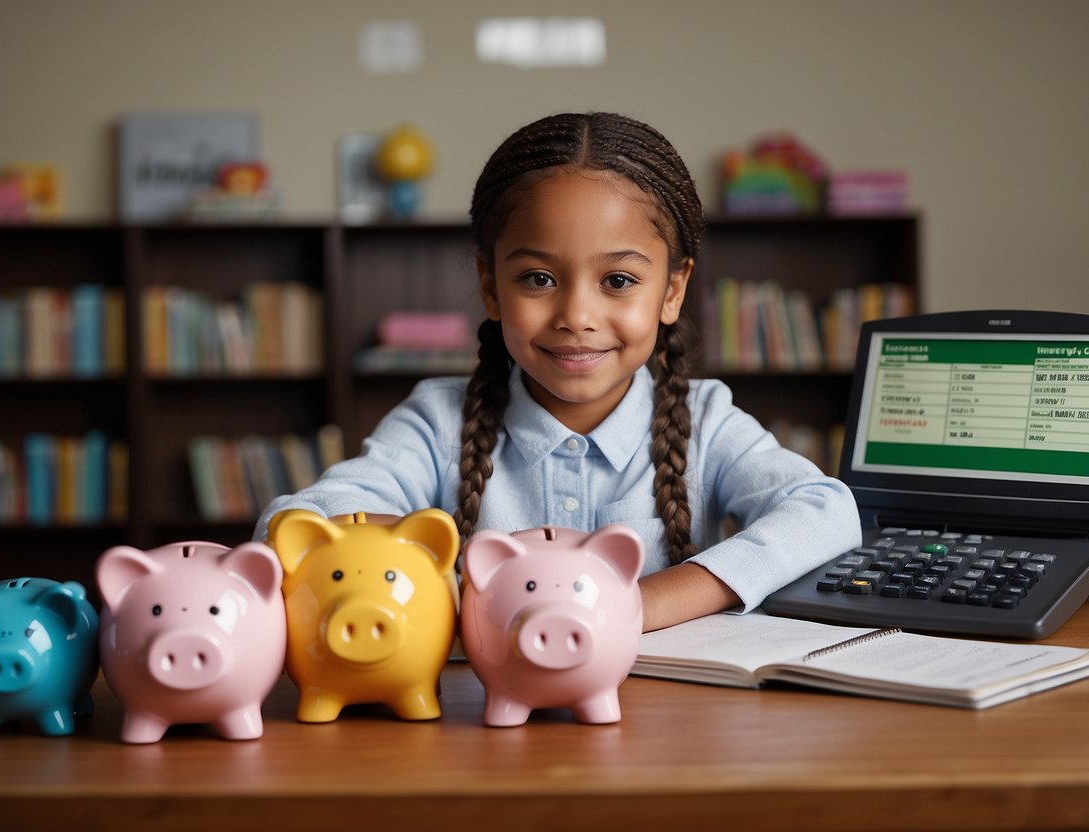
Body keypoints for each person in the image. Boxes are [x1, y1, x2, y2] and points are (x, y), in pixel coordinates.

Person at [255, 112, 861, 631]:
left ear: (672, 290)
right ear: (490, 287)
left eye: (618, 281)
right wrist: (411, 545)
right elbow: (291, 524)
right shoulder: (440, 421)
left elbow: (825, 512)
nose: (576, 316)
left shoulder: (706, 422)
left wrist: (634, 604)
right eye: (538, 279)